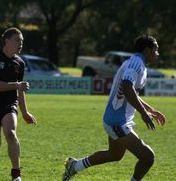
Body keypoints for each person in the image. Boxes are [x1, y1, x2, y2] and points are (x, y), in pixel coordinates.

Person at [62, 35, 166, 181]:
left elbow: (132, 93)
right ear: (148, 50)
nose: (157, 54)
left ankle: (75, 166)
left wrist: (149, 110)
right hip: (117, 121)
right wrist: (143, 112)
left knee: (115, 155)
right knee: (148, 157)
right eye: (156, 50)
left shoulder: (137, 63)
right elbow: (127, 87)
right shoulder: (136, 63)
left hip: (118, 119)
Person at [0, 27, 37, 181]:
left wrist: (25, 112)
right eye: (17, 40)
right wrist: (16, 85)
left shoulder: (20, 63)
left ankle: (16, 174)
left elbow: (20, 90)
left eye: (22, 41)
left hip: (9, 104)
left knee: (11, 133)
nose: (21, 43)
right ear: (6, 41)